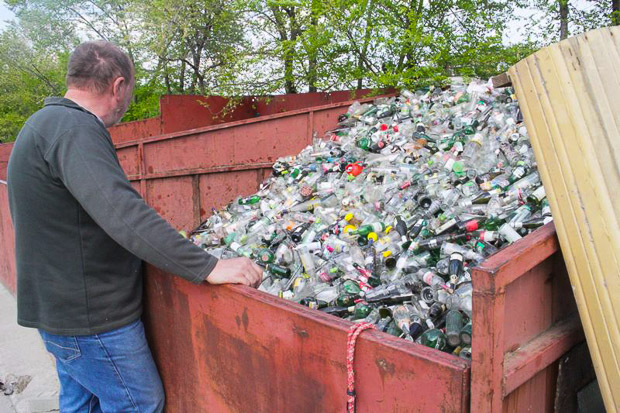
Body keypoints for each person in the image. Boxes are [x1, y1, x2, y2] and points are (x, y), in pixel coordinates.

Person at [7, 40, 263, 412]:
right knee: (138, 402)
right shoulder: (74, 130)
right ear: (118, 86)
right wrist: (209, 266)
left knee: (82, 402)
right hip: (91, 319)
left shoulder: (42, 124)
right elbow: (124, 214)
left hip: (60, 313)